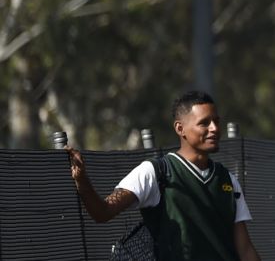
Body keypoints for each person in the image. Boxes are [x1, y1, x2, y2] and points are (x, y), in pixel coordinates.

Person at [67, 91, 263, 261]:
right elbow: (103, 212)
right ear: (180, 128)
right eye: (204, 123)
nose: (214, 128)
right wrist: (82, 180)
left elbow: (245, 250)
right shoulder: (154, 172)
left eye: (216, 121)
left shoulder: (228, 180)